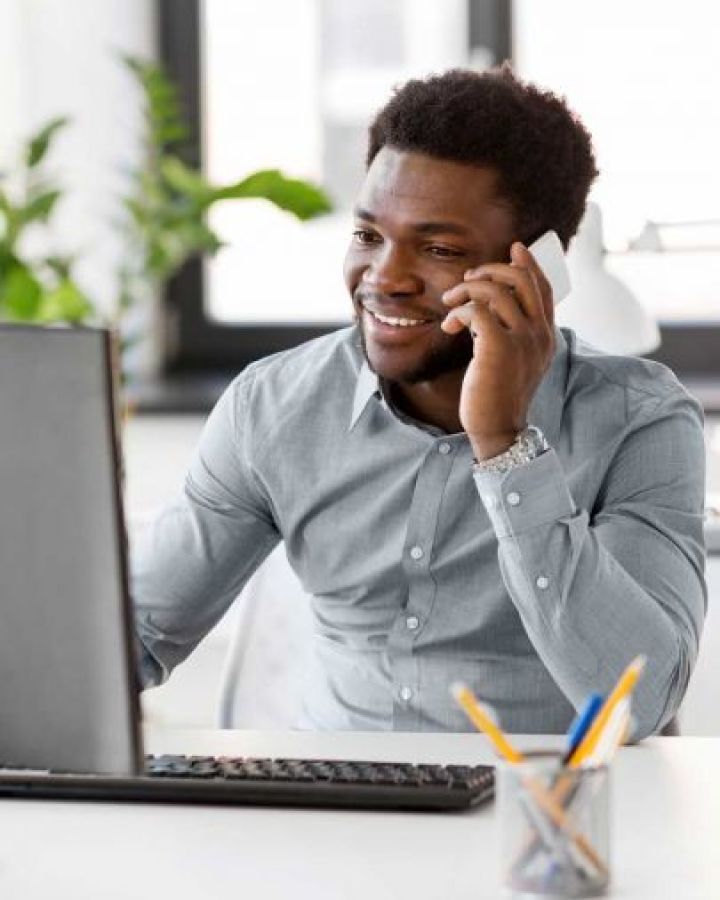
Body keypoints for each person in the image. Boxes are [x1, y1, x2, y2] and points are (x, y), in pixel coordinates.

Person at [133, 66, 706, 737]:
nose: (384, 279)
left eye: (437, 248)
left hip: (551, 808)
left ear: (541, 270)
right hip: (336, 813)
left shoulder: (639, 419)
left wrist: (506, 446)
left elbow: (638, 705)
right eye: (369, 236)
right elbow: (138, 637)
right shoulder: (274, 406)